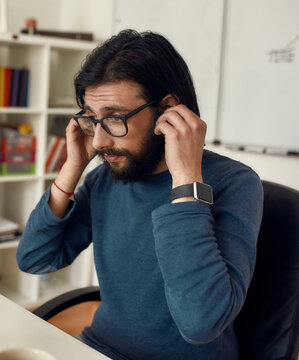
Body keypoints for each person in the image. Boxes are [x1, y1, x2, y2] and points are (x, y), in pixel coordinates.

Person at [16, 30, 263, 360]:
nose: (100, 141)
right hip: (101, 346)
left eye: (115, 119)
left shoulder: (235, 182)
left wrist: (187, 181)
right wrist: (72, 167)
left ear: (168, 110)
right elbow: (35, 258)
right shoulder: (108, 177)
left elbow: (200, 323)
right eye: (92, 119)